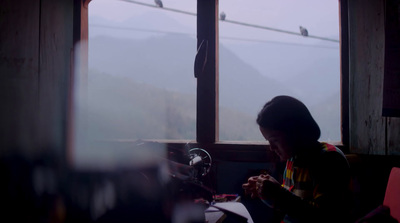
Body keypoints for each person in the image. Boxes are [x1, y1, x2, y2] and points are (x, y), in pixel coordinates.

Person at [242, 95, 352, 223]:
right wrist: (265, 192)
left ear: (295, 133)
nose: (271, 147)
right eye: (268, 141)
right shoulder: (293, 160)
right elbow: (290, 207)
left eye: (275, 140)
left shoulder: (329, 160)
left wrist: (278, 194)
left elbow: (325, 216)